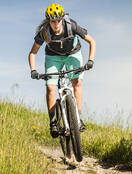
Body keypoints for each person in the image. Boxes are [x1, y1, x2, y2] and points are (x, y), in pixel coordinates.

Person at [28, 3, 96, 137]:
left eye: (59, 20)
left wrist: (90, 60)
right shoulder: (44, 32)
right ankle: (53, 122)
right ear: (49, 21)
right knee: (51, 88)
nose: (56, 23)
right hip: (53, 57)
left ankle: (77, 118)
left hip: (72, 54)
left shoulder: (72, 26)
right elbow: (33, 53)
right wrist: (33, 70)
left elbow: (92, 42)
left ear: (62, 18)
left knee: (77, 83)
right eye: (53, 21)